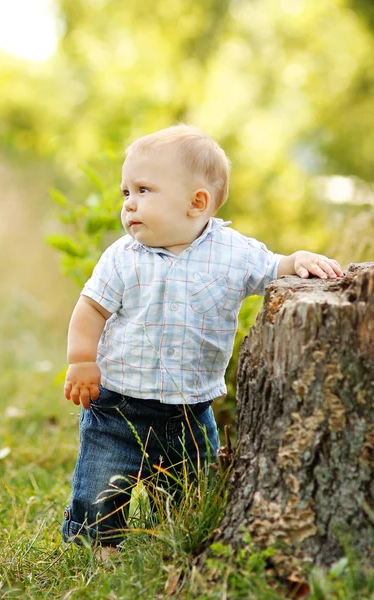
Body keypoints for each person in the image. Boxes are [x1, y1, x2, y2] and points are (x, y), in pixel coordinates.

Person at [62, 124, 343, 550]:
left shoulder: (232, 252)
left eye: (143, 190)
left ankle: (172, 537)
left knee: (187, 489)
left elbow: (273, 267)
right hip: (118, 405)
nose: (129, 204)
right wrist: (83, 360)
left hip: (191, 411)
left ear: (197, 202)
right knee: (101, 481)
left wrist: (297, 259)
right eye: (125, 193)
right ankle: (96, 544)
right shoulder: (122, 257)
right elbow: (91, 308)